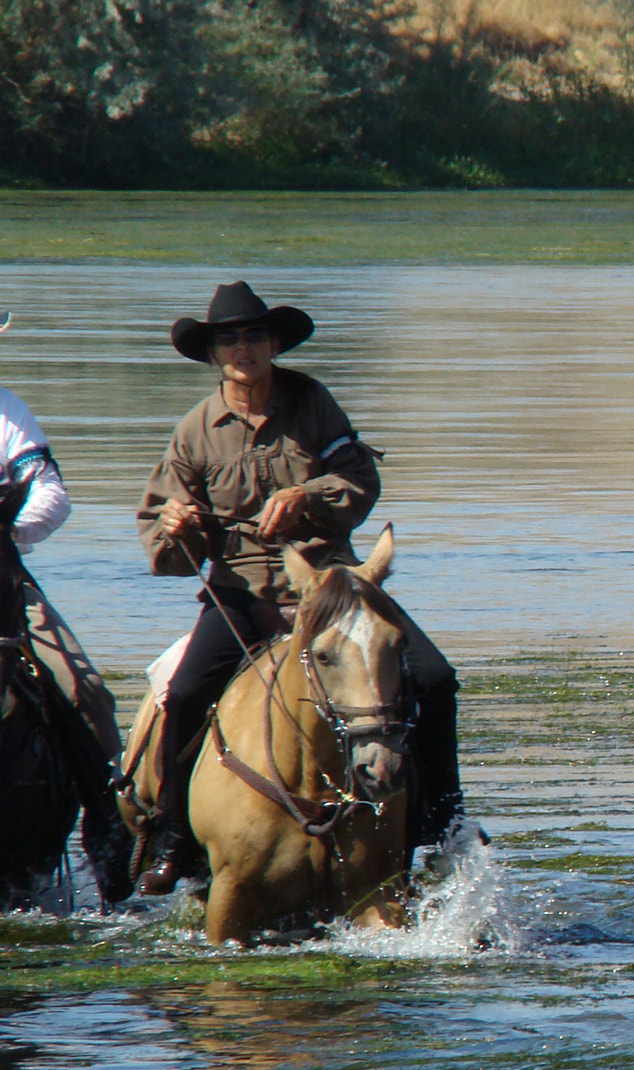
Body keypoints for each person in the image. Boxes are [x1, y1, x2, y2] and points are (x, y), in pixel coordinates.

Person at [133, 282, 473, 895]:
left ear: (273, 344)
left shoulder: (313, 403)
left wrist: (306, 495)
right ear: (214, 354)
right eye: (230, 339)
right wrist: (175, 525)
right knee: (184, 695)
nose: (244, 347)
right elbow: (163, 548)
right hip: (243, 592)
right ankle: (173, 838)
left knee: (433, 677)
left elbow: (360, 481)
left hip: (330, 586)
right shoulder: (193, 432)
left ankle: (444, 822)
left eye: (255, 335)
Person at [1, 318, 132, 899]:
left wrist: (8, 529)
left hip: (1, 574)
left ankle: (110, 843)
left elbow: (50, 493)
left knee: (86, 694)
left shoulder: (7, 414)